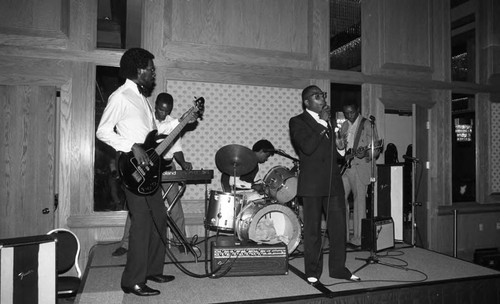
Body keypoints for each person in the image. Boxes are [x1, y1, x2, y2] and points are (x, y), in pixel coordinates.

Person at [96, 48, 173, 297]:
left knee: (159, 218)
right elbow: (103, 131)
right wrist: (131, 146)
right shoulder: (121, 96)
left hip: (150, 170)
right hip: (133, 171)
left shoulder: (143, 99)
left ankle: (152, 270)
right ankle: (132, 281)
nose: (153, 73)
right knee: (141, 224)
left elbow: (150, 134)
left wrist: (180, 122)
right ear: (140, 70)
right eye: (151, 69)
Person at [289, 85, 359, 285]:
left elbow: (337, 155)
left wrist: (341, 147)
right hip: (311, 185)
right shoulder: (297, 121)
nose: (323, 100)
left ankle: (338, 269)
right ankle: (312, 270)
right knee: (312, 231)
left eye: (323, 96)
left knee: (338, 230)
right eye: (317, 96)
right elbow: (308, 147)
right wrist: (322, 122)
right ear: (307, 102)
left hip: (333, 183)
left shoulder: (328, 123)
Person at [111, 92, 193, 257]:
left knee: (175, 206)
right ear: (156, 106)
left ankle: (180, 241)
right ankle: (126, 243)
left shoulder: (172, 123)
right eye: (162, 110)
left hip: (167, 166)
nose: (164, 114)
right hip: (148, 168)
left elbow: (176, 149)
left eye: (167, 111)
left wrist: (184, 163)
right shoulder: (147, 121)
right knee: (137, 205)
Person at [338, 101, 381, 247]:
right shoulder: (344, 125)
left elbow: (376, 148)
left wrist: (366, 154)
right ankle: (343, 237)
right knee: (339, 199)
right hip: (346, 167)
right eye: (346, 113)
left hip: (360, 167)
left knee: (359, 203)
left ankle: (358, 238)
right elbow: (342, 146)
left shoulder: (368, 124)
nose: (349, 115)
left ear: (357, 110)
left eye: (352, 112)